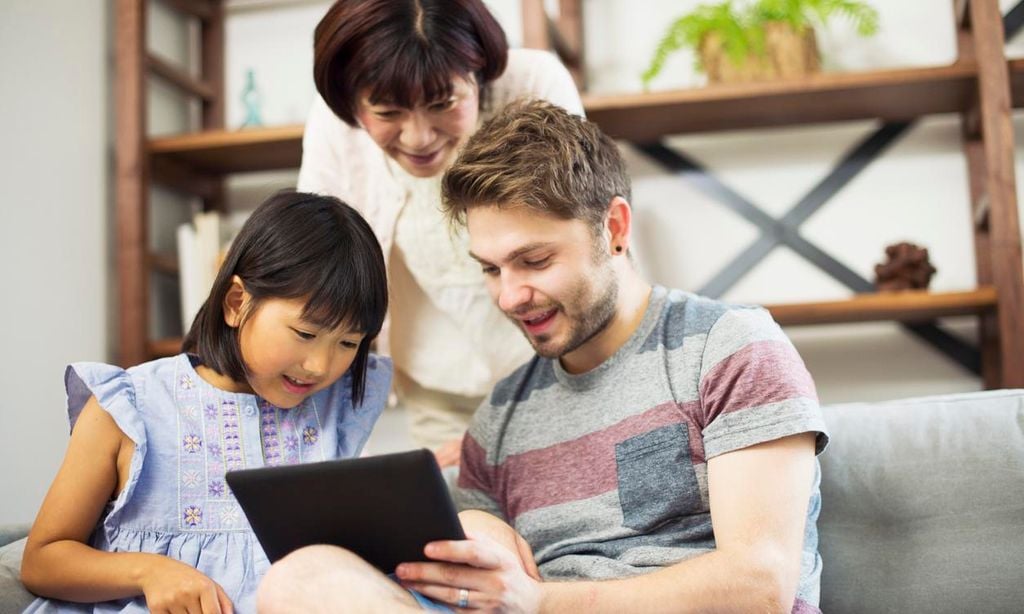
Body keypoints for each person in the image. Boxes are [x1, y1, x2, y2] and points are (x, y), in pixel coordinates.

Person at [257, 101, 830, 614]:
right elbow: (479, 587)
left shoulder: (729, 348)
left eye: (533, 261)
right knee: (302, 579)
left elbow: (762, 586)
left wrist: (538, 601)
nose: (509, 296)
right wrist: (471, 526)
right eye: (490, 268)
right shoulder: (503, 415)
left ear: (614, 228)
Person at [20, 191, 393, 613]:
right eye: (305, 334)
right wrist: (149, 571)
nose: (320, 365)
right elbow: (43, 559)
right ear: (237, 303)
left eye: (348, 343)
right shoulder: (128, 407)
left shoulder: (336, 408)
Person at [297, 0, 584, 466]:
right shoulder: (335, 126)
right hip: (438, 381)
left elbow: (575, 235)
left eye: (442, 103)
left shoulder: (534, 84)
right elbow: (323, 268)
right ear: (352, 103)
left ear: (479, 74)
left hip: (556, 372)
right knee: (452, 521)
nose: (418, 137)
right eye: (388, 113)